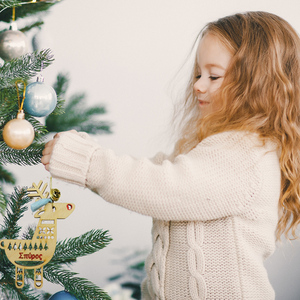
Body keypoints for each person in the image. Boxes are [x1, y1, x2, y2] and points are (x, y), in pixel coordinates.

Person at [41, 11, 300, 300]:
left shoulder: (244, 155)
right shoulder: (218, 147)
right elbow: (163, 170)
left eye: (213, 76)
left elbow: (163, 186)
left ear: (258, 84)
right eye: (199, 74)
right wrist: (84, 153)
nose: (199, 85)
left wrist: (89, 162)